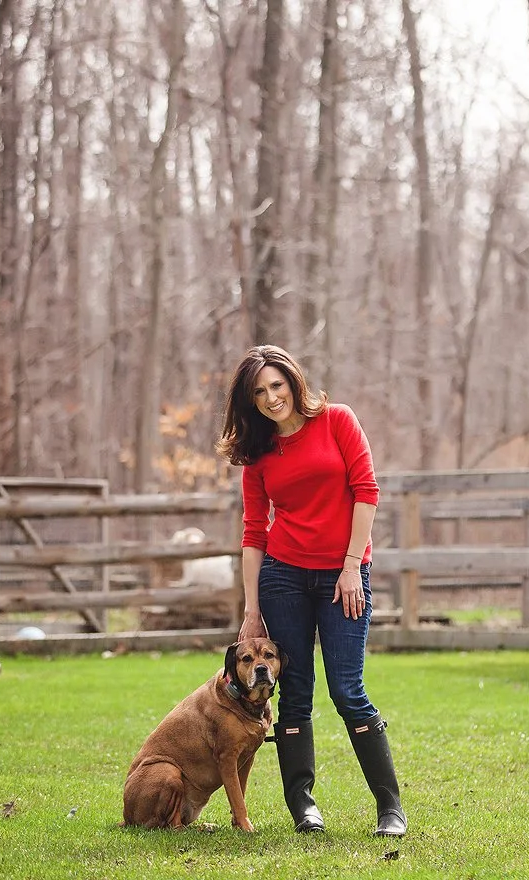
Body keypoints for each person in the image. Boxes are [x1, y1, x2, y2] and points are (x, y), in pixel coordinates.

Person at [218, 345, 405, 837]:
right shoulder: (257, 456)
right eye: (258, 392)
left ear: (294, 382)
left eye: (276, 386)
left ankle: (390, 808)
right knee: (295, 692)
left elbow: (366, 491)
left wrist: (349, 567)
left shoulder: (337, 420)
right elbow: (254, 532)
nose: (270, 398)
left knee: (348, 690)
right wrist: (251, 610)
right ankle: (303, 806)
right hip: (283, 579)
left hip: (343, 576)